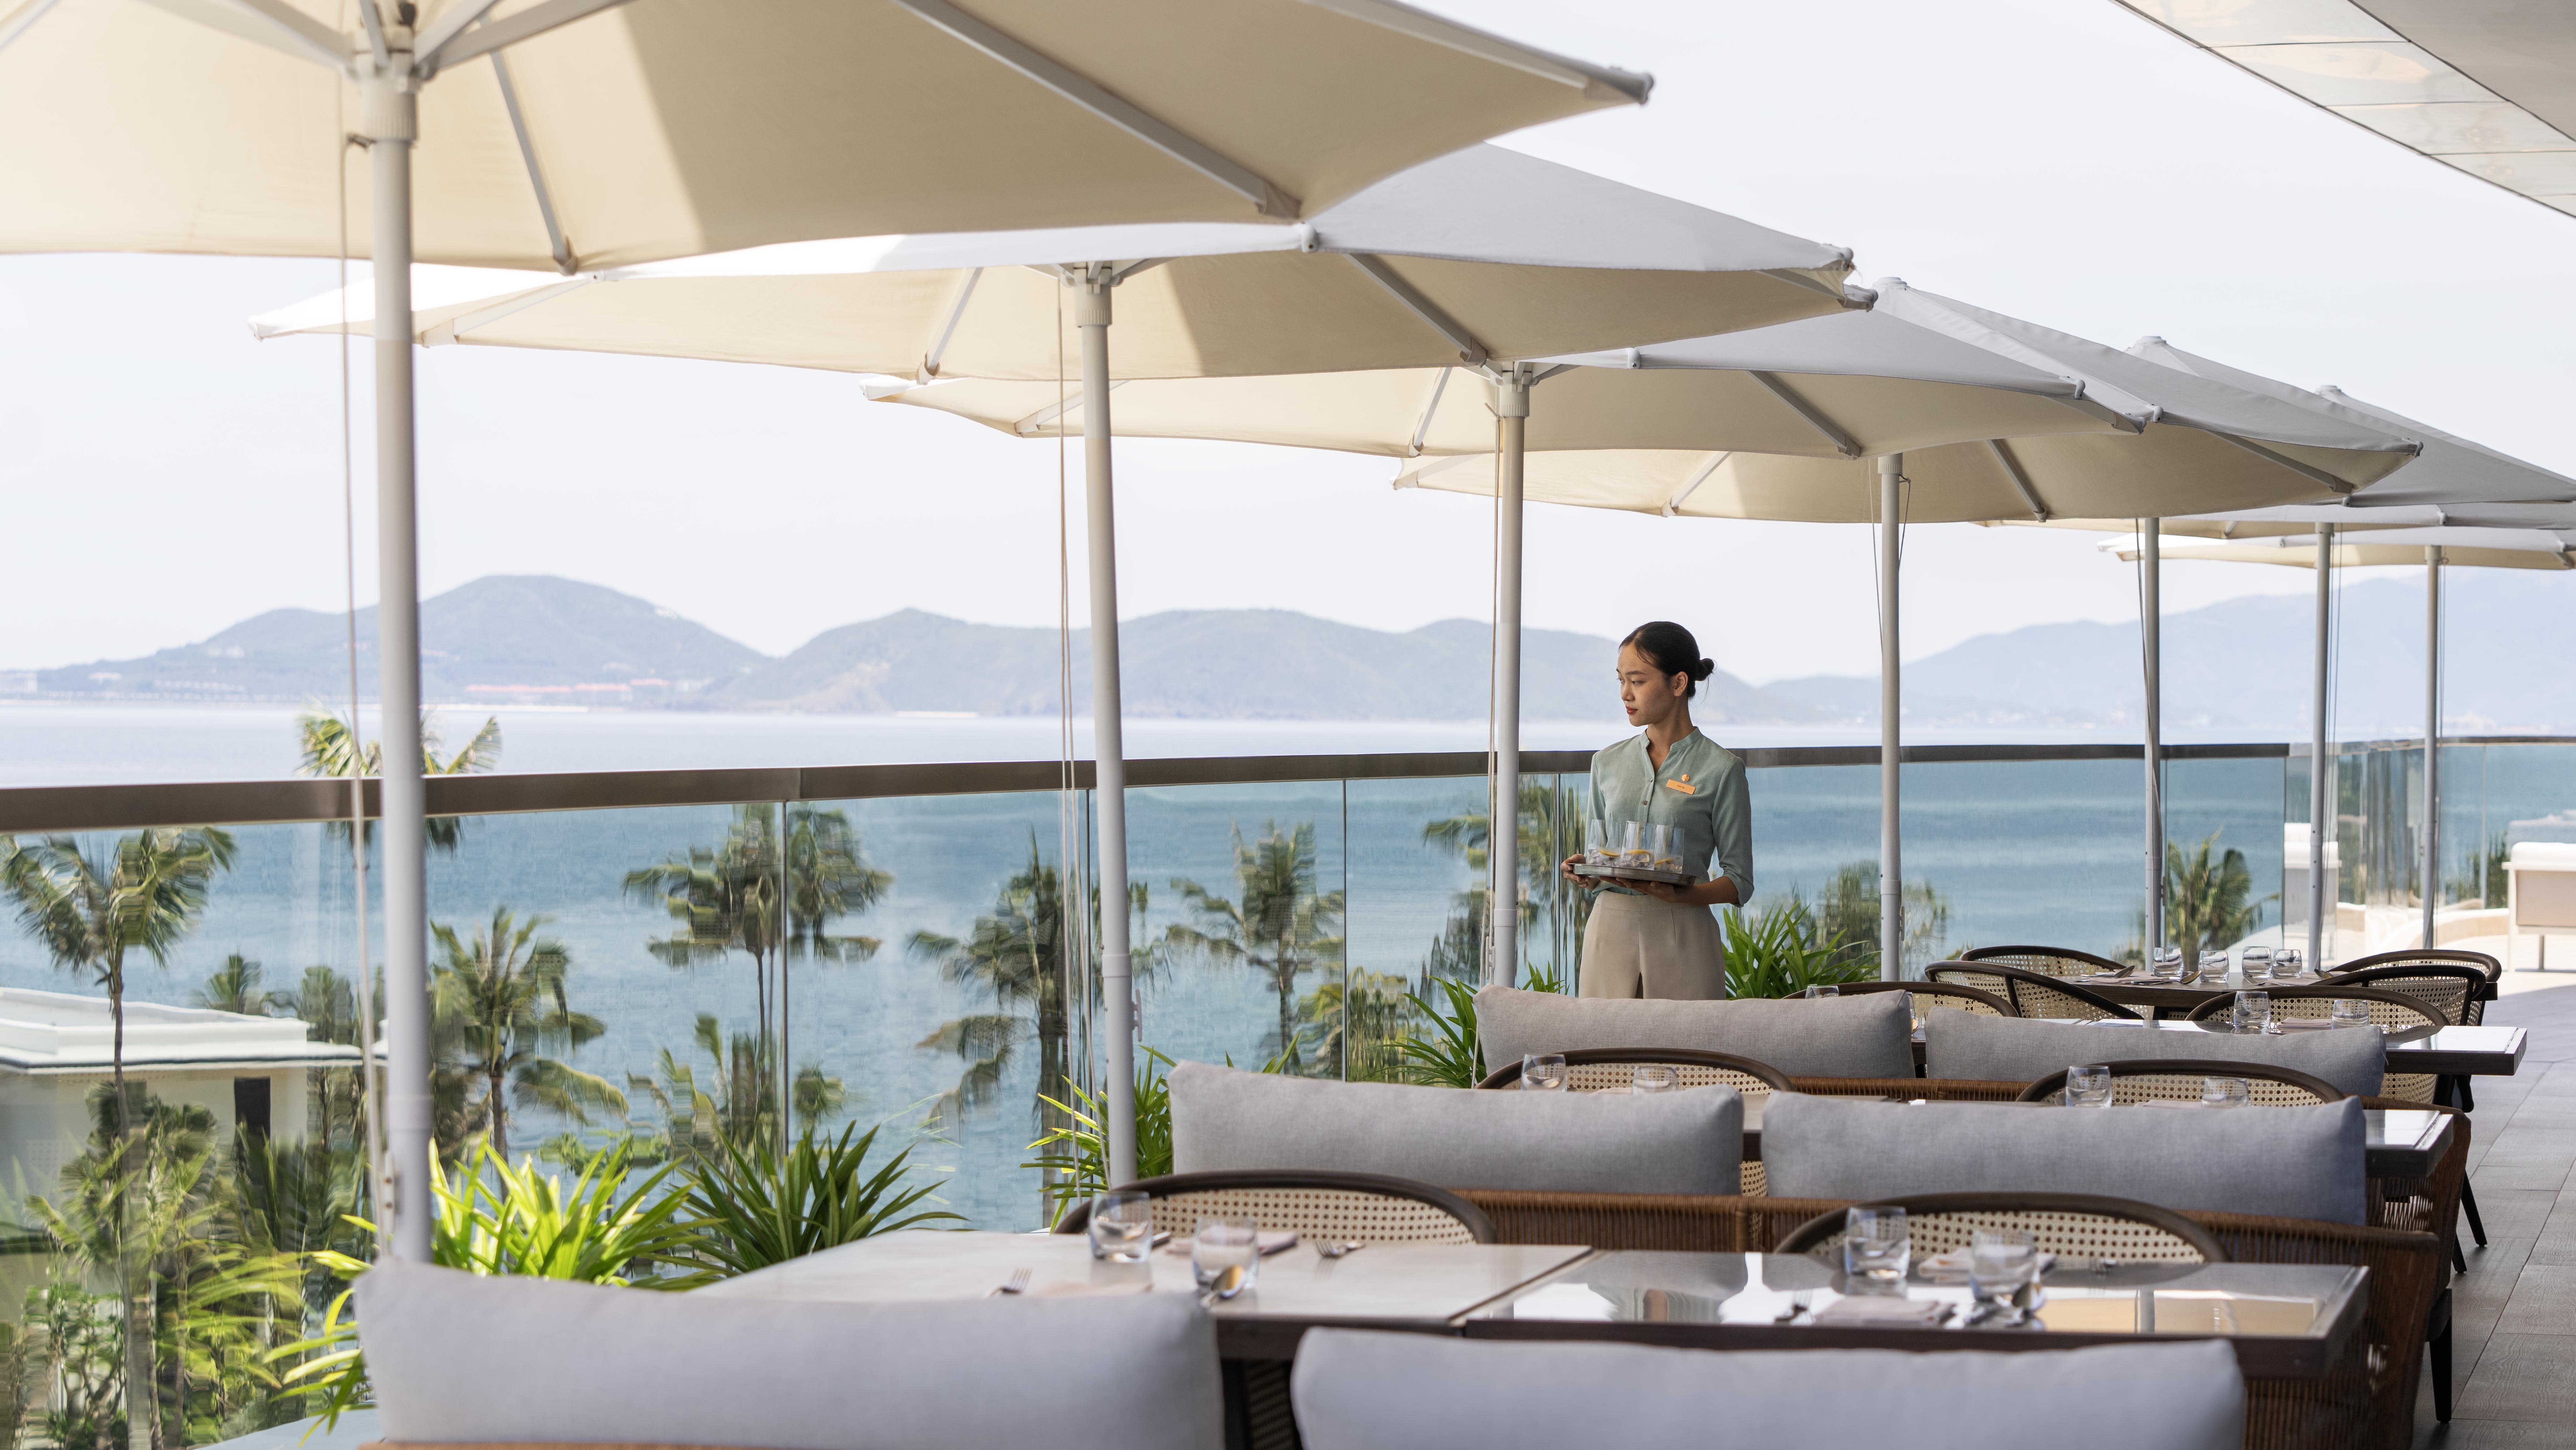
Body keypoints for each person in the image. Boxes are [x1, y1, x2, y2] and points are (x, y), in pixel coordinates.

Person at [1557, 621, 1752, 999]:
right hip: (1608, 931)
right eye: (1620, 681)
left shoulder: (1723, 769)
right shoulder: (1606, 762)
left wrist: (1683, 897)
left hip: (1684, 933)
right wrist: (1585, 871)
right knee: (1605, 1052)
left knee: (1686, 1053)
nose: (1625, 694)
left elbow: (1739, 881)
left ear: (1678, 684)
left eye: (1638, 681)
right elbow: (1602, 857)